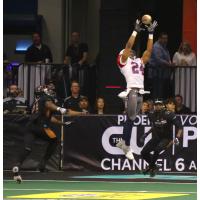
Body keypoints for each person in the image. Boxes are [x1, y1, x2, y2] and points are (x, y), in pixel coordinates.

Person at [12, 85, 79, 183]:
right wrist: (59, 109)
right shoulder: (45, 99)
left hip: (30, 127)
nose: (52, 92)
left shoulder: (36, 101)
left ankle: (17, 166)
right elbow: (48, 104)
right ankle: (42, 164)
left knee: (27, 148)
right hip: (40, 127)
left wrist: (62, 123)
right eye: (50, 91)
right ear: (45, 92)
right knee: (54, 140)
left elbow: (49, 117)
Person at [115, 19, 158, 160]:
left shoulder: (139, 61)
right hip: (132, 90)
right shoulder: (124, 62)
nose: (132, 52)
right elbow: (128, 46)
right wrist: (135, 31)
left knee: (132, 120)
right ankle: (125, 144)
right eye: (128, 52)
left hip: (140, 92)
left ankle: (123, 143)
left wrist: (151, 33)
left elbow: (149, 51)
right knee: (131, 118)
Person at [140, 100, 183, 177]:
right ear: (154, 106)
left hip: (166, 138)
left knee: (157, 150)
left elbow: (180, 127)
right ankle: (153, 166)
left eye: (160, 104)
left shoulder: (169, 114)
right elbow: (154, 126)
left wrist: (177, 137)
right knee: (143, 152)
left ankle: (151, 167)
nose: (158, 106)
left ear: (163, 106)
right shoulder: (151, 114)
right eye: (156, 105)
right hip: (156, 137)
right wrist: (146, 134)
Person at [148, 32, 174, 99]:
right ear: (159, 38)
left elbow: (167, 57)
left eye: (166, 38)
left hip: (162, 73)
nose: (165, 40)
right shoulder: (156, 46)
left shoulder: (164, 47)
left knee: (161, 92)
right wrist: (169, 64)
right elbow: (158, 59)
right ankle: (156, 107)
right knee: (157, 92)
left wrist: (170, 62)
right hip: (156, 73)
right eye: (164, 38)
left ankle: (159, 106)